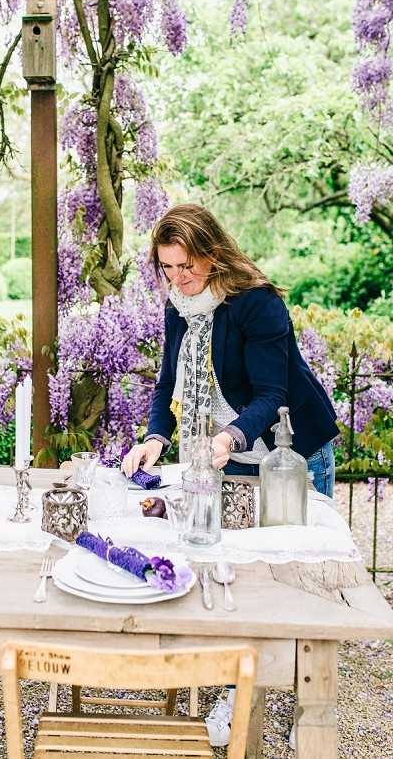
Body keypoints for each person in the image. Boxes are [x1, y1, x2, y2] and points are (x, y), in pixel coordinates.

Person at [121, 203, 339, 748]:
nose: (178, 278)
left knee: (293, 582)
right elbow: (167, 381)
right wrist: (154, 438)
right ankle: (236, 689)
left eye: (186, 266)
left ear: (212, 253)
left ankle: (301, 703)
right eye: (167, 268)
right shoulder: (179, 304)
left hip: (285, 451)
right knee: (232, 574)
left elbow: (273, 395)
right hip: (222, 453)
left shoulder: (257, 305)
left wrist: (228, 437)